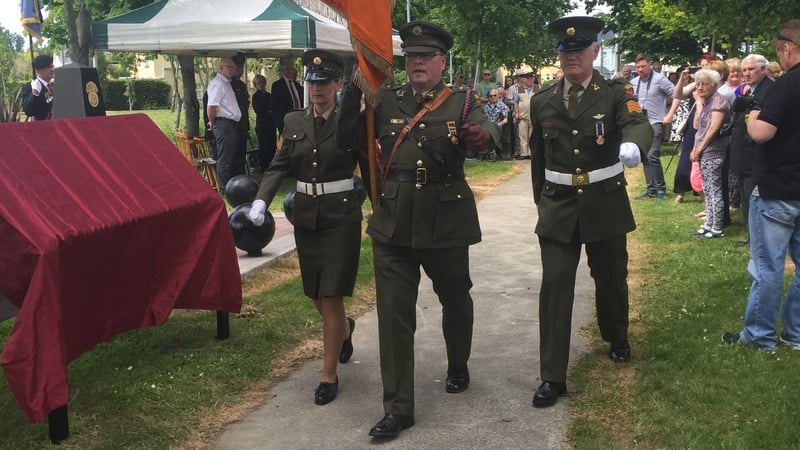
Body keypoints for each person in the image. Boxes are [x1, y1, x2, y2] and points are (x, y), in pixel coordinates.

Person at [336, 20, 499, 438]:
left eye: (425, 56)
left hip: (445, 218)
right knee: (393, 316)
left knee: (456, 298)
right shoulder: (384, 101)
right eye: (411, 57)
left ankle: (458, 362)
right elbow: (345, 140)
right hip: (394, 221)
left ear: (442, 60)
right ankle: (398, 408)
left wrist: (482, 136)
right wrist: (353, 91)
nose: (417, 63)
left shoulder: (462, 102)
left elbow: (489, 131)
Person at [529, 15, 652, 408]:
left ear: (595, 51)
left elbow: (637, 122)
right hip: (558, 204)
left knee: (611, 276)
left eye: (580, 50)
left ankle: (616, 336)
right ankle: (552, 376)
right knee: (555, 287)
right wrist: (541, 202)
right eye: (566, 51)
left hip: (604, 199)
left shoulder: (615, 91)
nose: (572, 58)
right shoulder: (542, 99)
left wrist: (633, 144)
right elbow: (538, 158)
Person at [247, 50, 366, 405]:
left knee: (330, 295)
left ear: (337, 85)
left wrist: (383, 205)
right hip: (307, 218)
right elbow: (278, 165)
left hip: (341, 217)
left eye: (324, 82)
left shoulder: (350, 120)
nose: (317, 89)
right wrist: (260, 200)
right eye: (312, 82)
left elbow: (368, 166)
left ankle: (328, 375)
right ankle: (344, 331)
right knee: (316, 294)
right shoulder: (294, 121)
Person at [723, 19, 800, 352]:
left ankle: (760, 336)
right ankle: (796, 333)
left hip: (778, 188)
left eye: (778, 52)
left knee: (767, 267)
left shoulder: (787, 85)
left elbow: (762, 133)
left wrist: (751, 118)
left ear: (787, 48)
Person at [730, 54, 774, 246]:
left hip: (755, 155)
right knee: (746, 196)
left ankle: (756, 237)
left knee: (753, 197)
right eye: (744, 70)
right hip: (744, 156)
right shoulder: (752, 90)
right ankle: (752, 236)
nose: (746, 73)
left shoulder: (769, 90)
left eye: (751, 69)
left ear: (763, 69)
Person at [680, 68, 730, 239]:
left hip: (713, 151)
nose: (700, 88)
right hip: (702, 151)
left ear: (714, 85)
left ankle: (716, 227)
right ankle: (708, 224)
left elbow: (713, 128)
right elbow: (696, 126)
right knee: (707, 190)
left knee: (714, 190)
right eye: (698, 84)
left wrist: (699, 149)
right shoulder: (706, 101)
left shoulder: (718, 101)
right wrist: (699, 103)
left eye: (704, 84)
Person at [630, 53, 675, 200]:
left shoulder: (660, 79)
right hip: (640, 124)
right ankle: (651, 190)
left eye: (643, 66)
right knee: (645, 156)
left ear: (650, 64)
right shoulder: (634, 82)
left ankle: (661, 189)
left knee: (652, 155)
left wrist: (669, 114)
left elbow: (676, 94)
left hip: (655, 122)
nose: (640, 69)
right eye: (638, 67)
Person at [206, 57, 242, 191]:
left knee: (228, 156)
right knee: (224, 158)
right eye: (229, 67)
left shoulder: (226, 83)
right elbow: (211, 106)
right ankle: (223, 188)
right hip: (223, 123)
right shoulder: (218, 83)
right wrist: (212, 121)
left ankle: (227, 185)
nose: (232, 69)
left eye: (233, 67)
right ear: (221, 68)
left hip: (229, 123)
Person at [271, 57, 304, 135]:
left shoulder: (297, 85)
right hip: (285, 120)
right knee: (285, 142)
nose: (289, 71)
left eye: (291, 69)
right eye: (287, 69)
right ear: (283, 71)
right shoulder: (277, 85)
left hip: (298, 118)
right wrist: (278, 121)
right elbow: (274, 105)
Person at [252, 74, 277, 171]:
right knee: (264, 145)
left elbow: (273, 108)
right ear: (255, 85)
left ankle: (272, 165)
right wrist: (268, 112)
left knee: (272, 144)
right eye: (258, 83)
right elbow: (259, 111)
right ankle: (264, 166)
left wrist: (270, 112)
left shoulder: (269, 95)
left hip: (271, 123)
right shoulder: (255, 97)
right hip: (262, 124)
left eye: (262, 82)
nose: (261, 84)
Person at [230, 53, 250, 178]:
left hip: (242, 123)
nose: (241, 70)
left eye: (242, 67)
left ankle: (241, 176)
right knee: (233, 153)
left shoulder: (241, 85)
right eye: (238, 67)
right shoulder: (229, 83)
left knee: (241, 152)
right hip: (233, 125)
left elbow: (246, 103)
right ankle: (234, 178)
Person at [21, 54, 55, 121]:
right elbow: (29, 111)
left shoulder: (53, 87)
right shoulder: (29, 87)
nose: (53, 69)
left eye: (52, 66)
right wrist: (35, 93)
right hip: (41, 127)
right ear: (38, 70)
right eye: (49, 67)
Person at [513, 65, 537, 159]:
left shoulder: (538, 88)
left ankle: (531, 153)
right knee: (523, 136)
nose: (530, 79)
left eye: (532, 77)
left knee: (532, 136)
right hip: (522, 116)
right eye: (528, 77)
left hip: (534, 116)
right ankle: (524, 153)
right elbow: (516, 102)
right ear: (524, 79)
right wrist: (517, 112)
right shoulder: (518, 89)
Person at [481, 87, 509, 161]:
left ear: (498, 96)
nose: (493, 97)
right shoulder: (487, 106)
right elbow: (485, 118)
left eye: (494, 95)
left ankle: (492, 154)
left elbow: (506, 120)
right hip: (488, 126)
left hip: (498, 126)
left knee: (490, 133)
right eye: (491, 96)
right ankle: (486, 153)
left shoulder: (502, 106)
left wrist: (498, 125)